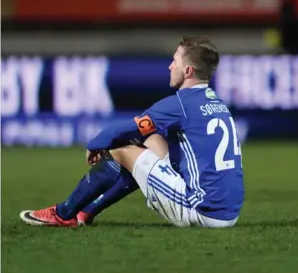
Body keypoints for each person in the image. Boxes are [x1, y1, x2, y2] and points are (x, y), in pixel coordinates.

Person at [20, 36, 244, 227]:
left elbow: (128, 128)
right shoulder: (217, 103)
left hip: (202, 210)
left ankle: (64, 213)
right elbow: (144, 132)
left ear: (188, 70)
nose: (169, 66)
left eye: (174, 60)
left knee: (122, 150)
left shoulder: (181, 104)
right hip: (228, 213)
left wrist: (97, 143)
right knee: (148, 140)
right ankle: (85, 212)